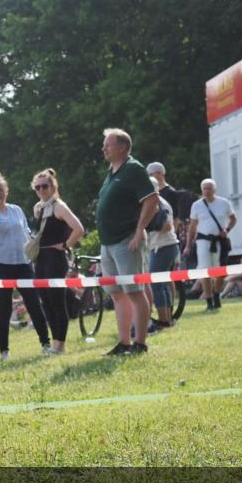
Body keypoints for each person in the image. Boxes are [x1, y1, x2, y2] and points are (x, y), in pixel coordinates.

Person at [96, 129, 159, 356]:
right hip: (108, 243)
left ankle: (140, 343)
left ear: (123, 147)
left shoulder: (133, 169)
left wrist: (139, 231)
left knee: (134, 292)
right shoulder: (112, 171)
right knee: (116, 293)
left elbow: (152, 200)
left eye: (108, 145)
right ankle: (124, 342)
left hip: (126, 240)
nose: (103, 148)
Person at [0, 172, 52, 360]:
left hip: (22, 263)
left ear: (6, 191)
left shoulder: (16, 210)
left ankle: (46, 343)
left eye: (0, 189)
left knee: (34, 304)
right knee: (4, 308)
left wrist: (35, 248)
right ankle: (4, 351)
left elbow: (26, 232)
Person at [30, 169, 85, 353]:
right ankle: (55, 344)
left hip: (55, 258)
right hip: (40, 259)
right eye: (37, 187)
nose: (41, 190)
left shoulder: (59, 206)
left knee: (57, 303)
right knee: (46, 303)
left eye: (44, 186)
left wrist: (65, 245)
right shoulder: (39, 208)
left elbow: (78, 228)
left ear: (53, 187)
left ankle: (60, 345)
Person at [184, 179, 237, 312]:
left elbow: (233, 219)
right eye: (204, 189)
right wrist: (188, 245)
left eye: (209, 188)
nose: (207, 191)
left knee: (221, 271)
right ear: (202, 190)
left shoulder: (224, 203)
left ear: (215, 189)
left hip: (220, 241)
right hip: (203, 240)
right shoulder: (197, 205)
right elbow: (192, 226)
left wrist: (227, 230)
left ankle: (216, 295)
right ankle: (208, 299)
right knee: (205, 270)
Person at [145, 178, 179, 330]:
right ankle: (167, 319)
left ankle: (164, 320)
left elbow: (167, 226)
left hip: (162, 246)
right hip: (165, 246)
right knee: (162, 284)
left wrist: (149, 226)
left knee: (156, 284)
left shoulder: (158, 203)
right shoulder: (161, 202)